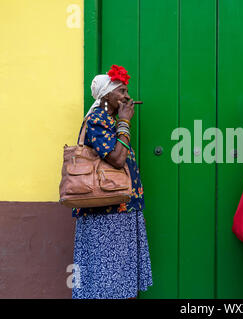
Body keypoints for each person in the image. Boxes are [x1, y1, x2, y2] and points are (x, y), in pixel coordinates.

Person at [71, 65, 153, 299]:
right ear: (107, 96)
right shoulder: (97, 120)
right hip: (106, 216)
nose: (128, 97)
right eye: (122, 91)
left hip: (120, 212)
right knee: (107, 284)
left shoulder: (108, 120)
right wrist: (125, 122)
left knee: (119, 281)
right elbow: (117, 158)